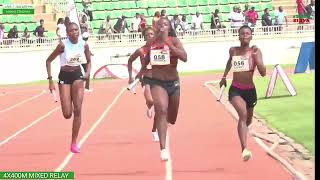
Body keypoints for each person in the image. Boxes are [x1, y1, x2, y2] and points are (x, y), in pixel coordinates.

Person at [136, 17, 187, 161]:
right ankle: (163, 149)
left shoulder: (175, 41)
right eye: (159, 25)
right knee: (161, 110)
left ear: (170, 27)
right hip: (157, 83)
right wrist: (141, 71)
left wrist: (169, 45)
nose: (162, 27)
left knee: (172, 117)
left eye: (165, 24)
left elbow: (184, 57)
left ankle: (166, 126)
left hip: (173, 83)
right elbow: (147, 59)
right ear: (156, 27)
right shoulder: (152, 43)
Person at [219, 25, 266, 161]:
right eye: (242, 33)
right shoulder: (233, 50)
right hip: (236, 89)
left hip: (250, 90)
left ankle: (244, 130)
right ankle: (244, 148)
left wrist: (257, 59)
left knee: (248, 120)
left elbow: (263, 73)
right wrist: (224, 76)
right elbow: (229, 62)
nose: (245, 35)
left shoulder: (256, 51)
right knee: (243, 115)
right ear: (238, 36)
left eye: (247, 33)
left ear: (251, 36)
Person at [46, 22, 92, 153]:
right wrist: (50, 81)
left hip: (78, 76)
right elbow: (48, 61)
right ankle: (69, 99)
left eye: (76, 30)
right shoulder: (62, 45)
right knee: (67, 114)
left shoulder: (84, 44)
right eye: (71, 30)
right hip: (64, 77)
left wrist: (88, 73)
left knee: (78, 109)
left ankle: (73, 143)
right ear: (67, 33)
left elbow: (89, 61)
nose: (74, 32)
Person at [127, 27, 158, 142]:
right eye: (147, 35)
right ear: (144, 37)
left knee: (160, 107)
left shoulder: (159, 49)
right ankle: (149, 106)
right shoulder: (141, 51)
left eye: (152, 34)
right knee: (150, 101)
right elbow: (130, 61)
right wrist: (130, 77)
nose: (150, 36)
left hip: (159, 79)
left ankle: (155, 131)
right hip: (146, 79)